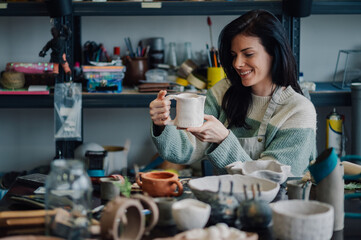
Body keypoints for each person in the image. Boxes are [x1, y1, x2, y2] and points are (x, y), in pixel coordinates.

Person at [149, 10, 316, 176]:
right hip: (224, 199)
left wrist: (223, 140)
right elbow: (182, 150)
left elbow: (273, 182)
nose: (237, 64)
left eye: (248, 54)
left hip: (278, 202)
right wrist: (162, 124)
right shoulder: (223, 92)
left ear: (273, 52)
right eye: (233, 55)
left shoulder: (299, 111)